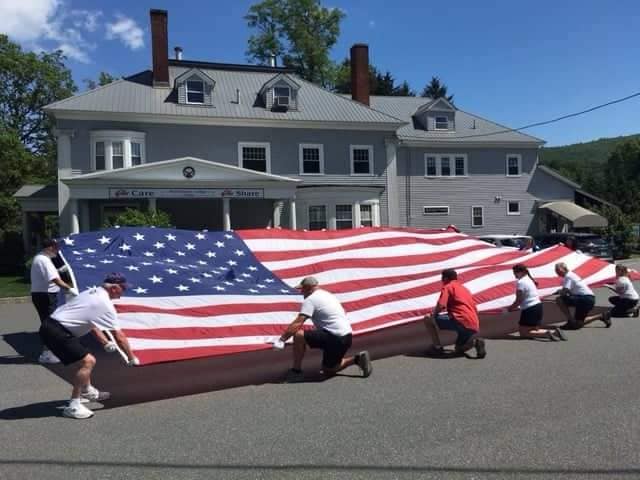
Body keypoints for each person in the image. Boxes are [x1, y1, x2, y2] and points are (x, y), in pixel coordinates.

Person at [39, 273, 139, 419]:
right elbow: (119, 336)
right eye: (123, 288)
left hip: (50, 327)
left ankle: (87, 390)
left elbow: (92, 323)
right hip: (57, 331)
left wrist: (104, 341)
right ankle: (73, 406)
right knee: (88, 361)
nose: (124, 291)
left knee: (83, 359)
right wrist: (131, 357)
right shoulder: (104, 303)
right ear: (114, 288)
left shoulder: (92, 293)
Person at [273, 276, 372, 382]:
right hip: (346, 336)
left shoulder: (311, 299)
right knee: (329, 369)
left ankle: (296, 371)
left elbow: (298, 322)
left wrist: (282, 340)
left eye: (303, 289)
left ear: (309, 288)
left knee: (298, 335)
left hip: (334, 336)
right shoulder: (328, 295)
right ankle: (357, 359)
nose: (302, 292)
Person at [30, 238, 78, 364]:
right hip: (45, 296)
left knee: (49, 323)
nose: (58, 251)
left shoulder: (41, 258)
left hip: (43, 295)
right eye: (56, 248)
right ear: (50, 247)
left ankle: (51, 351)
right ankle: (47, 353)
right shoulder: (44, 260)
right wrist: (70, 289)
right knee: (50, 325)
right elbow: (55, 279)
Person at [423, 269, 486, 358]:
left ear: (445, 278)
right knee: (459, 348)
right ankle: (475, 342)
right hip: (474, 324)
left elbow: (441, 305)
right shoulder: (464, 289)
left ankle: (437, 347)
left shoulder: (448, 287)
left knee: (427, 319)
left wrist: (434, 315)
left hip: (460, 320)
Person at [507, 264, 566, 341]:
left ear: (522, 272)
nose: (514, 274)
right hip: (538, 307)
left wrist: (511, 308)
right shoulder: (529, 280)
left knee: (523, 332)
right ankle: (554, 332)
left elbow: (519, 300)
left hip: (530, 309)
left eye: (515, 272)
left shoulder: (521, 282)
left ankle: (547, 333)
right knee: (533, 328)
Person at [554, 262, 610, 329]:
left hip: (584, 299)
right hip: (589, 299)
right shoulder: (571, 275)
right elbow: (569, 291)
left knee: (559, 299)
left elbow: (564, 291)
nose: (557, 272)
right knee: (577, 324)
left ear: (564, 268)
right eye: (556, 270)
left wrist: (559, 292)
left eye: (558, 270)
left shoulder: (568, 276)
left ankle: (570, 320)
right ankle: (601, 316)